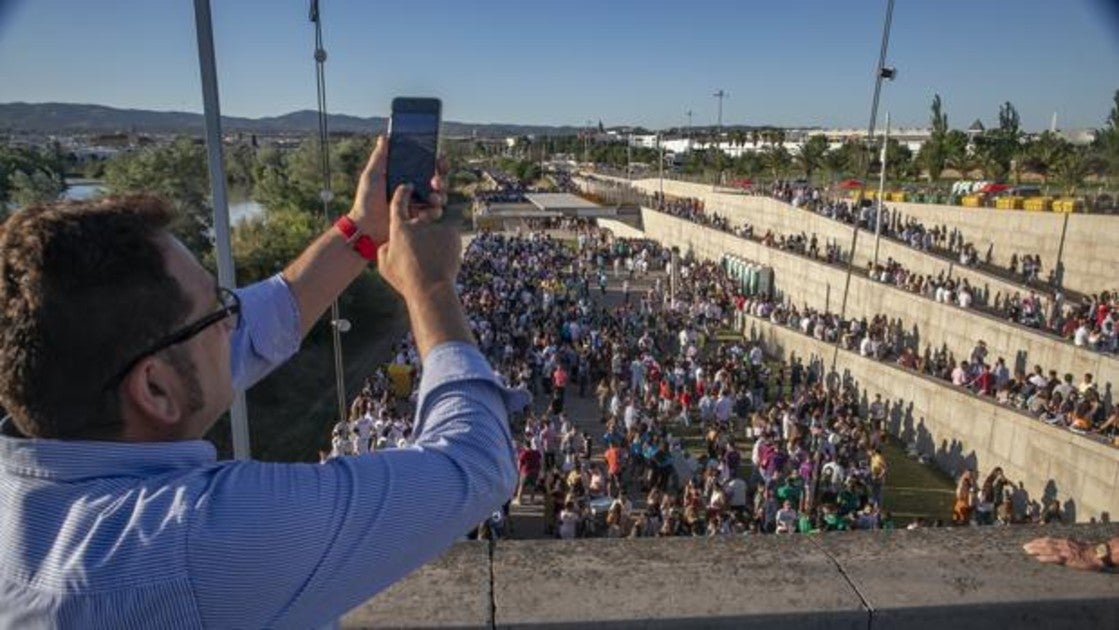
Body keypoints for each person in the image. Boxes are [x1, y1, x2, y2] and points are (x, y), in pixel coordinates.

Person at [0, 138, 528, 628]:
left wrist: (362, 229)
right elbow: (474, 464)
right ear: (155, 391)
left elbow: (257, 326)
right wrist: (431, 287)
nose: (234, 319)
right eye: (216, 312)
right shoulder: (197, 539)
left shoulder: (40, 464)